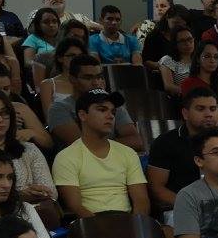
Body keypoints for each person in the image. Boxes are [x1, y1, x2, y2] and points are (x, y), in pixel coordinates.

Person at [147, 87, 218, 213]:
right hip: (181, 208)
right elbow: (156, 188)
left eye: (213, 109)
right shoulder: (165, 143)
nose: (208, 114)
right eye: (201, 109)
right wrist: (191, 206)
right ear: (185, 113)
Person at [52, 89, 150, 217]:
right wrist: (101, 226)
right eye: (102, 110)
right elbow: (75, 207)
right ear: (82, 115)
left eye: (113, 112)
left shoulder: (128, 153)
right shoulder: (66, 157)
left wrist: (137, 225)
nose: (111, 116)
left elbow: (141, 201)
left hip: (127, 221)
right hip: (90, 223)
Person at [48, 54, 143, 151]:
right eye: (88, 78)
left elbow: (136, 141)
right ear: (72, 79)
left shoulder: (111, 104)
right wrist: (116, 144)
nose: (96, 83)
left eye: (99, 77)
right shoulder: (59, 108)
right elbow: (83, 146)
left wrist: (101, 144)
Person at [38, 37, 88, 119]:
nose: (77, 59)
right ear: (60, 58)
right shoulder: (48, 84)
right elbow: (49, 117)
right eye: (72, 56)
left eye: (81, 56)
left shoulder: (90, 82)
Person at [30, 0, 99, 32]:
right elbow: (37, 30)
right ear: (43, 2)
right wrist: (82, 28)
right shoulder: (36, 14)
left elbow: (101, 28)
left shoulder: (78, 17)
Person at [157, 25, 198, 97]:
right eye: (182, 41)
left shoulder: (199, 58)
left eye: (190, 39)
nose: (187, 44)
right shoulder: (167, 60)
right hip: (182, 97)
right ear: (175, 44)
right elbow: (168, 86)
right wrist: (192, 94)